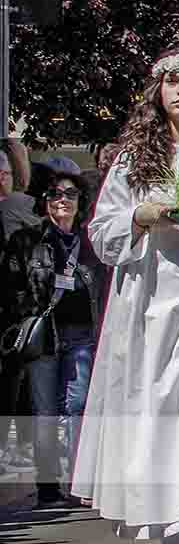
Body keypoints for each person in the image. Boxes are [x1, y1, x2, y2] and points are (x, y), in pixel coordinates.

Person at [65, 50, 179, 544]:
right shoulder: (134, 163)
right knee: (158, 421)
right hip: (148, 309)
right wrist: (141, 215)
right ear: (157, 94)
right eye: (171, 82)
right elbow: (102, 235)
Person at [4, 159, 106, 508]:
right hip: (43, 336)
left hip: (81, 334)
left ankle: (78, 481)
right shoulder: (26, 239)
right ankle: (48, 486)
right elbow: (12, 284)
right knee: (44, 411)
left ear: (81, 201)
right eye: (54, 193)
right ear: (44, 200)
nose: (61, 199)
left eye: (70, 194)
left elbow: (104, 290)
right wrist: (26, 314)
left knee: (76, 406)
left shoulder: (91, 243)